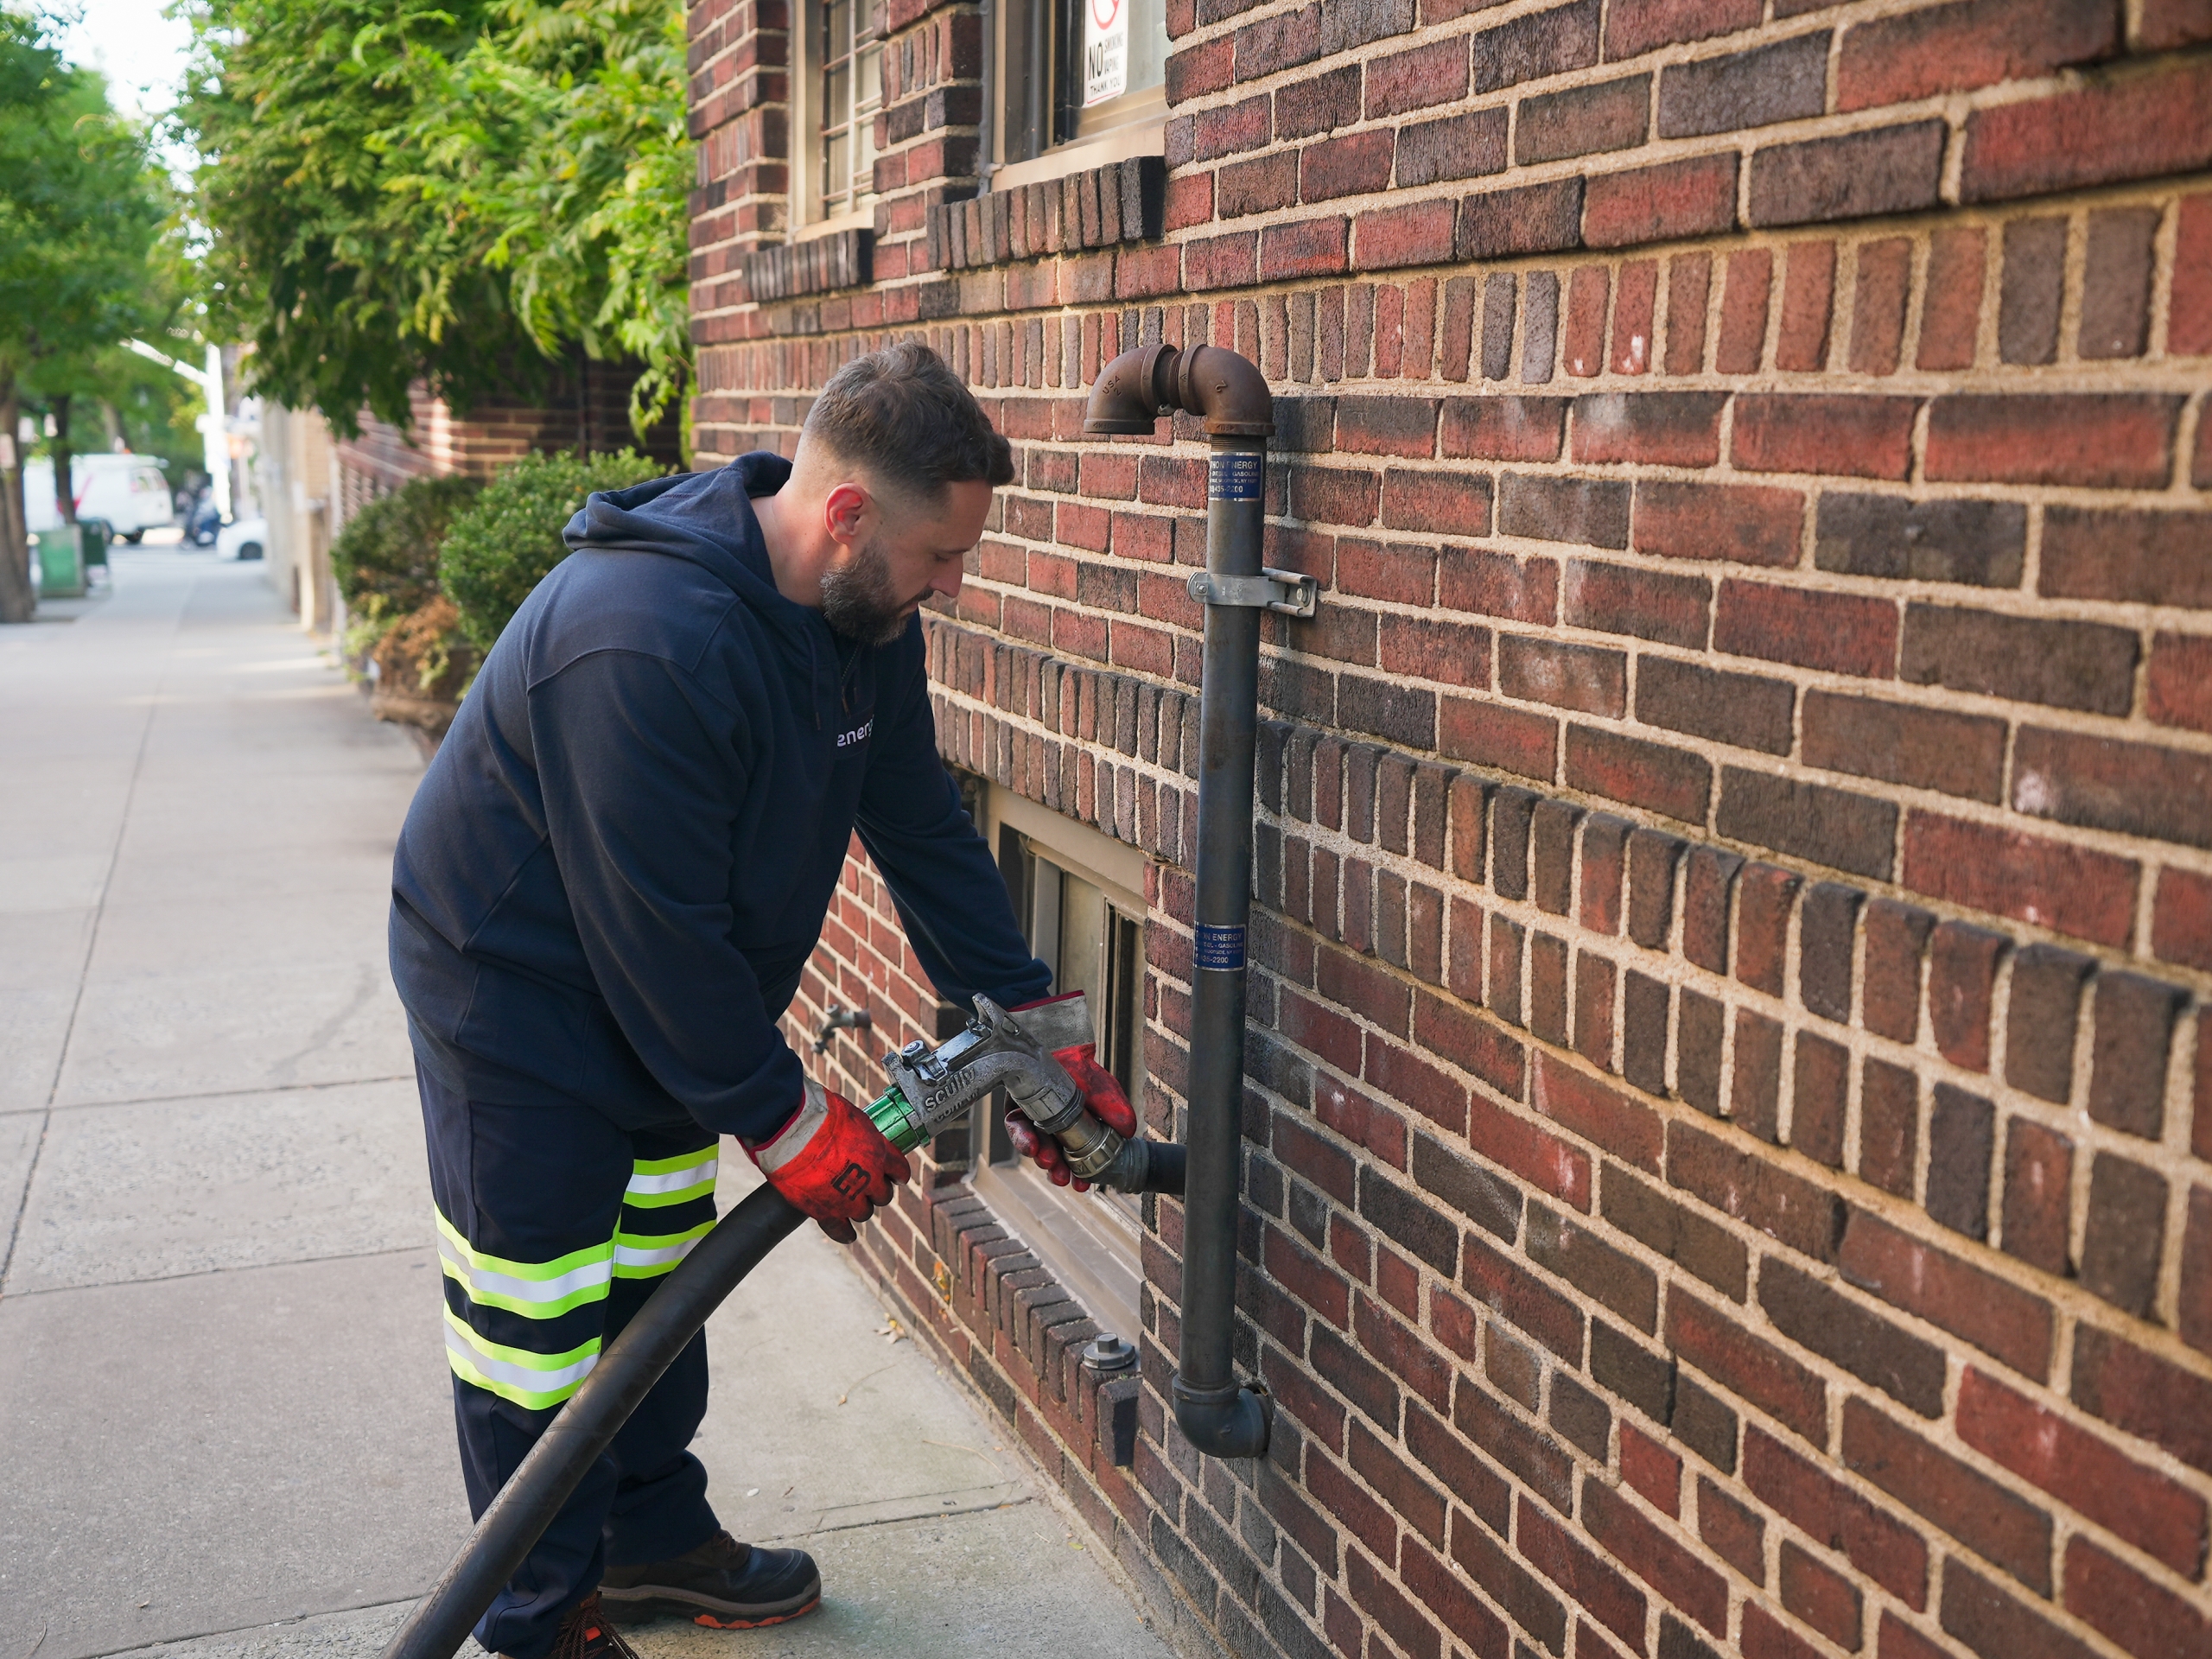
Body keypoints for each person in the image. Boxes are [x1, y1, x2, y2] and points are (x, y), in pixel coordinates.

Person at [387, 342, 1136, 1659]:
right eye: (941, 557)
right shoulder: (644, 640)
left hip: (672, 997)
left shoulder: (862, 626)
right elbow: (652, 934)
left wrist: (1032, 1031)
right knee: (540, 1318)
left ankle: (649, 1538)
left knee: (659, 1270)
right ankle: (539, 1616)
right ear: (846, 513)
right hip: (515, 998)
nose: (953, 590)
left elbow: (922, 827)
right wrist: (786, 1120)